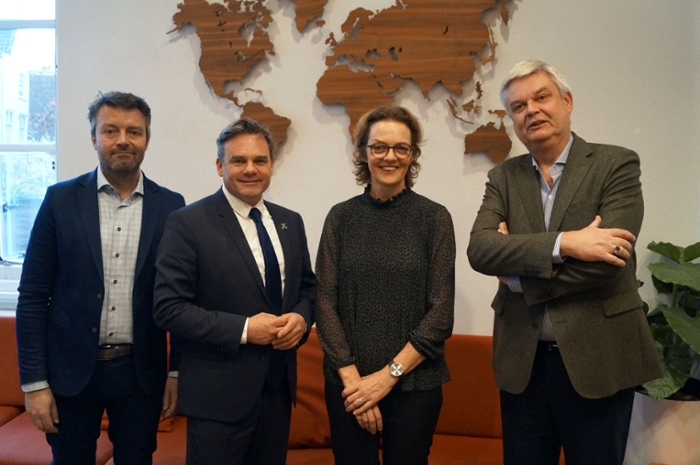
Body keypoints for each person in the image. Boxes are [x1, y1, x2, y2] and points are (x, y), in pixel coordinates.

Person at [467, 60, 663, 465]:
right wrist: (567, 242)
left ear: (567, 101)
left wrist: (518, 279)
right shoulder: (503, 177)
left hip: (599, 360)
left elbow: (610, 258)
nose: (531, 110)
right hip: (524, 365)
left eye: (541, 97)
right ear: (513, 120)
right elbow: (481, 249)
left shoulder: (616, 164)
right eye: (518, 106)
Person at [15, 91, 185, 464]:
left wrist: (176, 372)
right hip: (70, 374)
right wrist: (34, 383)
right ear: (94, 138)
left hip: (140, 375)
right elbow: (31, 297)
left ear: (146, 139)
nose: (123, 139)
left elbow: (183, 299)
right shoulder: (59, 201)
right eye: (110, 130)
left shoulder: (172, 206)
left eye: (133, 132)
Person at [152, 118, 316, 465]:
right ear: (219, 165)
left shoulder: (290, 221)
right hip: (217, 398)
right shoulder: (188, 223)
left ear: (272, 164)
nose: (250, 169)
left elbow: (308, 288)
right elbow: (169, 308)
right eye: (239, 160)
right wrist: (244, 330)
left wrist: (302, 318)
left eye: (260, 160)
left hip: (276, 390)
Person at [315, 105, 455, 465]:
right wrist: (355, 383)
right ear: (363, 152)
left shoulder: (434, 219)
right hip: (349, 386)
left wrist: (386, 378)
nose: (389, 157)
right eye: (379, 147)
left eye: (401, 148)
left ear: (412, 155)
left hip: (415, 386)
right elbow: (325, 302)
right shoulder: (340, 217)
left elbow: (440, 314)